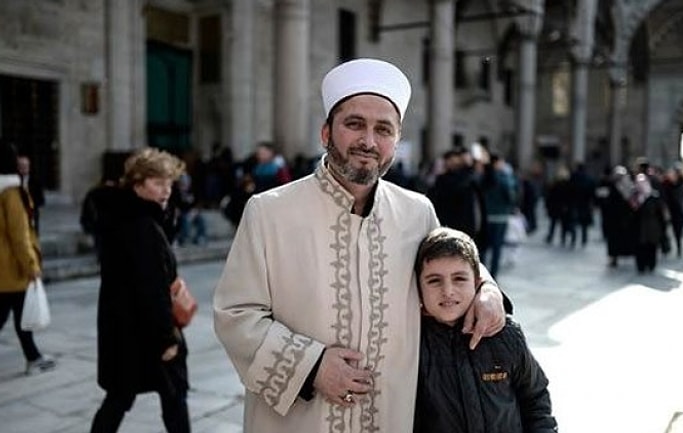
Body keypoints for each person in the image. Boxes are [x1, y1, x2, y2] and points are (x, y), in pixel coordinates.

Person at [213, 58, 508, 433]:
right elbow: (236, 314)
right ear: (326, 133)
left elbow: (452, 266)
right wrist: (313, 366)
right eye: (355, 124)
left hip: (389, 416)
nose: (369, 141)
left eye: (383, 129)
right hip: (299, 420)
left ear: (396, 142)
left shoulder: (417, 212)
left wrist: (487, 289)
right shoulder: (269, 212)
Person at [413, 227, 557, 433]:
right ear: (418, 289)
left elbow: (535, 397)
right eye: (434, 281)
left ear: (478, 283)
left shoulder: (506, 335)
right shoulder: (413, 342)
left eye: (459, 279)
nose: (448, 291)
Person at [90, 148, 191, 433]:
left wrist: (165, 213)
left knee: (122, 396)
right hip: (146, 330)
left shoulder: (125, 216)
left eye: (169, 183)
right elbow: (152, 288)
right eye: (158, 183)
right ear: (137, 185)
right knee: (173, 395)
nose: (166, 190)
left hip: (125, 328)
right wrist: (166, 339)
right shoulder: (141, 227)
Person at [0, 140, 56, 375]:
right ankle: (33, 359)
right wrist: (32, 265)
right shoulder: (12, 194)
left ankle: (33, 357)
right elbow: (20, 235)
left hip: (5, 267)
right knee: (18, 314)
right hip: (14, 268)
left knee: (16, 313)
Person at [17, 153, 44, 233]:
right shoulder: (15, 181)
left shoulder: (35, 181)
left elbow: (40, 198)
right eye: (21, 166)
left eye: (25, 166)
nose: (23, 168)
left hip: (32, 212)